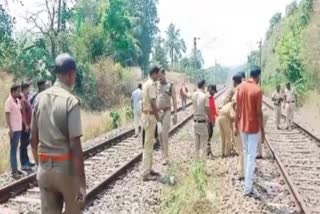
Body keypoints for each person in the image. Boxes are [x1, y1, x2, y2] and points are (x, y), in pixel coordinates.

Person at [31, 53, 86, 213]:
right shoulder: (71, 101)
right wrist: (82, 184)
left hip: (45, 170)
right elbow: (75, 145)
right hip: (66, 170)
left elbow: (32, 140)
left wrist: (39, 165)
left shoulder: (39, 99)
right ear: (71, 74)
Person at [235, 68, 264, 197]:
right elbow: (259, 113)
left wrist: (236, 124)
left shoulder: (240, 87)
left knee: (246, 153)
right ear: (257, 76)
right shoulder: (257, 90)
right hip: (253, 127)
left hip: (242, 126)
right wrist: (262, 130)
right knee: (251, 156)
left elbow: (237, 109)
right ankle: (247, 188)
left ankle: (247, 183)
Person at [141, 66, 161, 181]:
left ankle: (149, 168)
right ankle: (145, 173)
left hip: (146, 115)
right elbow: (153, 103)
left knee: (149, 144)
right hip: (150, 116)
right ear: (154, 73)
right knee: (148, 146)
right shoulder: (152, 85)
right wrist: (158, 119)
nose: (159, 76)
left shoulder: (145, 84)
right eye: (158, 74)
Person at [182, 80, 210, 161]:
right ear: (204, 85)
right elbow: (207, 109)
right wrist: (210, 118)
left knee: (196, 146)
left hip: (195, 123)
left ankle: (196, 164)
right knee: (204, 146)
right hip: (202, 122)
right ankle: (202, 166)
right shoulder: (205, 96)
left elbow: (185, 94)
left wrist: (183, 87)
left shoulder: (193, 94)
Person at [156, 69, 177, 165]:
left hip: (167, 112)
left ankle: (166, 157)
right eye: (158, 76)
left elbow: (174, 99)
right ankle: (163, 154)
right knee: (160, 135)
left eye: (161, 76)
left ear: (164, 74)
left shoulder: (170, 85)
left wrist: (175, 113)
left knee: (164, 134)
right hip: (158, 113)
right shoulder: (156, 85)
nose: (159, 78)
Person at [5, 84, 23, 179]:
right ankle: (14, 171)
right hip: (14, 129)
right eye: (18, 91)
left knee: (15, 149)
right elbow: (7, 115)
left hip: (18, 128)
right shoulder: (9, 101)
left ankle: (16, 168)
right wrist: (10, 129)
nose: (19, 93)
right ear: (13, 91)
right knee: (13, 150)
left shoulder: (17, 100)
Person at [20, 82, 35, 171]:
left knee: (26, 144)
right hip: (24, 126)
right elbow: (23, 114)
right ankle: (23, 163)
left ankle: (27, 161)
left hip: (29, 125)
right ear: (24, 89)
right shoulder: (22, 100)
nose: (29, 91)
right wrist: (26, 125)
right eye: (28, 89)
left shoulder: (26, 99)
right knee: (23, 145)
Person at [207, 84, 217, 158]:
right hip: (208, 120)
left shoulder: (211, 98)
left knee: (210, 135)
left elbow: (213, 109)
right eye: (213, 91)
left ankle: (208, 152)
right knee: (208, 135)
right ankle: (207, 152)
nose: (214, 93)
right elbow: (208, 110)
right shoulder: (207, 98)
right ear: (210, 89)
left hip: (211, 120)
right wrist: (211, 120)